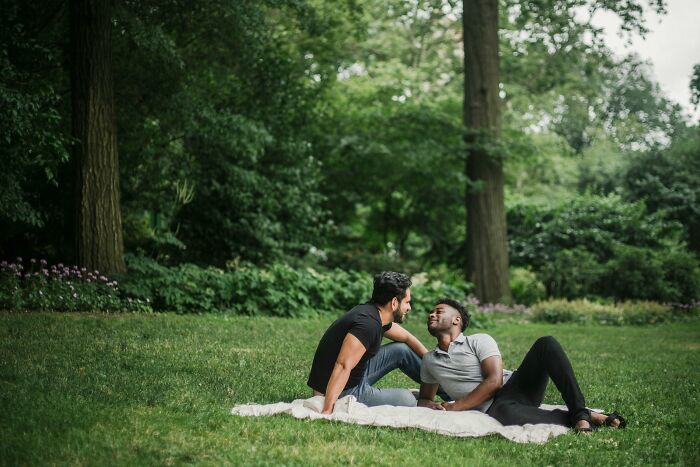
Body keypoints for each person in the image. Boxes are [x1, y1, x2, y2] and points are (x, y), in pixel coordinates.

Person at [417, 298, 626, 432]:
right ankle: (594, 417)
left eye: (438, 311)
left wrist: (456, 407)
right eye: (431, 312)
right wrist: (431, 404)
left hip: (516, 387)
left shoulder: (479, 340)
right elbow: (425, 398)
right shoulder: (429, 360)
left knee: (546, 343)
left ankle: (581, 414)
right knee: (505, 416)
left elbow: (494, 381)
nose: (431, 314)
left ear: (456, 320)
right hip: (496, 408)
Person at [307, 271, 436, 414]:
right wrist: (326, 410)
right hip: (343, 390)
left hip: (353, 375)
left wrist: (432, 360)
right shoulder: (367, 325)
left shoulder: (374, 313)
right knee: (409, 400)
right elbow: (342, 365)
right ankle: (428, 397)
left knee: (402, 350)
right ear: (394, 303)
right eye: (407, 302)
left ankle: (449, 390)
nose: (409, 307)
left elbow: (406, 337)